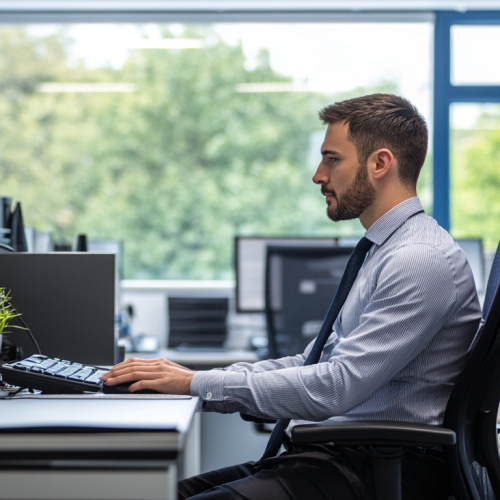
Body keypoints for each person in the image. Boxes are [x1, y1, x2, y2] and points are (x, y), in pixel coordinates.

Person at [101, 94, 481, 500]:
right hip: (344, 457)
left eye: (332, 159)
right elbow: (314, 361)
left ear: (380, 164)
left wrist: (197, 383)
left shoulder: (418, 260)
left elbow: (335, 387)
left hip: (385, 471)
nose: (319, 175)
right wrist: (196, 382)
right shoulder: (387, 251)